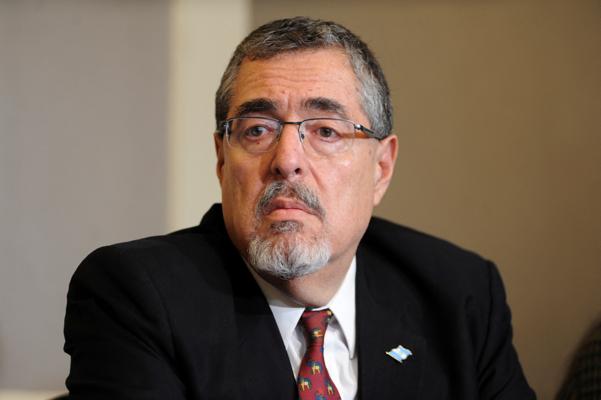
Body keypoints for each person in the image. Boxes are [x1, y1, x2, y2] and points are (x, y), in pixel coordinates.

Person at [63, 17, 536, 399]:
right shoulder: (136, 295)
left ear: (381, 167)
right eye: (257, 130)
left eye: (326, 131)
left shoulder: (459, 294)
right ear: (222, 159)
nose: (287, 160)